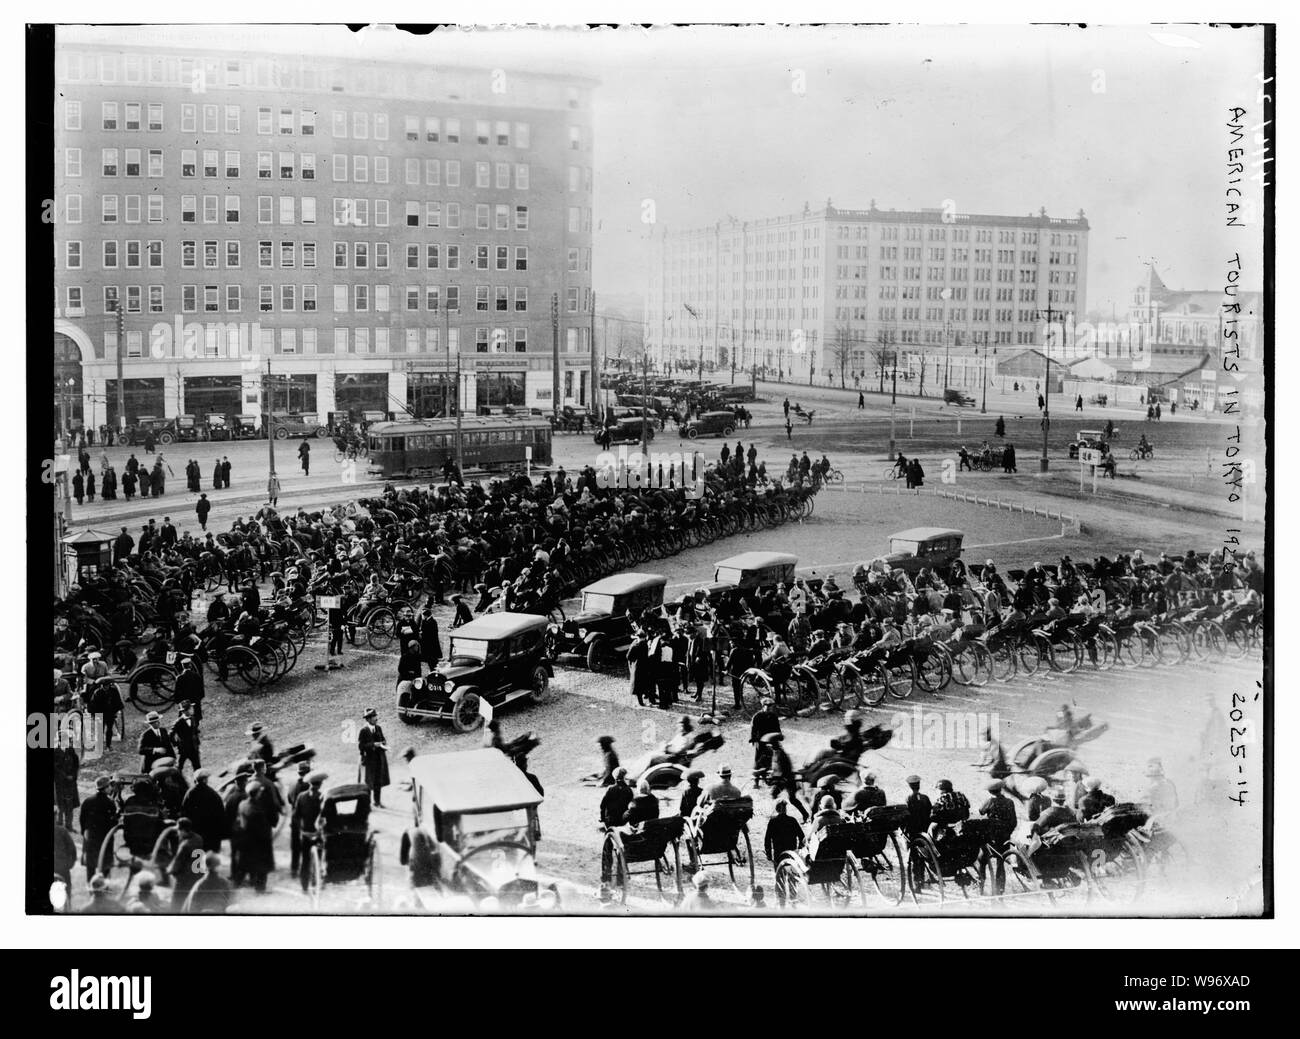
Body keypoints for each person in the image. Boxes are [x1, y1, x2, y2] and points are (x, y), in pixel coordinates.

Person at [79, 774, 119, 877]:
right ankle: (105, 884)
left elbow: (82, 819)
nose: (111, 788)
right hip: (105, 835)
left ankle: (90, 884)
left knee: (90, 863)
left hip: (90, 835)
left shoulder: (88, 801)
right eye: (110, 786)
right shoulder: (109, 803)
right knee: (105, 861)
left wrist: (84, 831)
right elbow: (113, 822)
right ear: (105, 788)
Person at [292, 771, 326, 892]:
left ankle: (304, 886)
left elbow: (295, 816)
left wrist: (301, 829)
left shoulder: (301, 796)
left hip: (306, 834)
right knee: (319, 858)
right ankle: (316, 882)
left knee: (305, 861)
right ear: (320, 784)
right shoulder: (322, 797)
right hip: (318, 835)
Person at [180, 769, 227, 852]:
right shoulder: (212, 794)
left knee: (197, 856)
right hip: (211, 832)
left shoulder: (189, 793)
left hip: (196, 831)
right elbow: (220, 813)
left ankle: (197, 865)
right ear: (205, 780)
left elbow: (184, 811)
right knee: (210, 856)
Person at [168, 818, 207, 910]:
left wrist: (171, 871)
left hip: (185, 876)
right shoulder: (198, 838)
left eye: (178, 830)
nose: (177, 832)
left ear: (182, 830)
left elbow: (177, 862)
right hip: (198, 872)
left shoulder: (185, 845)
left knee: (177, 900)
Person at [357, 708, 390, 808]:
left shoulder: (378, 728)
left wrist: (383, 743)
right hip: (369, 761)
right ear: (368, 719)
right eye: (373, 717)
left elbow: (383, 739)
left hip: (379, 759)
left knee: (378, 781)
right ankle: (367, 804)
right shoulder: (363, 731)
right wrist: (373, 745)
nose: (376, 718)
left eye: (376, 716)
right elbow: (361, 746)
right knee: (368, 782)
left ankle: (377, 802)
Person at [763, 800, 805, 866]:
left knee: (779, 872)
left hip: (778, 854)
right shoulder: (792, 820)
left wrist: (769, 855)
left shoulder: (773, 821)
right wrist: (799, 850)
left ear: (777, 809)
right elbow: (802, 837)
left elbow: (767, 839)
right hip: (791, 853)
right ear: (786, 809)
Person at [978, 780, 1018, 847]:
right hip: (1005, 831)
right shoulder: (1009, 802)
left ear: (990, 791)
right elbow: (1013, 821)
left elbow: (981, 811)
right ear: (1000, 789)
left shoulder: (990, 801)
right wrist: (1009, 831)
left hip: (993, 831)